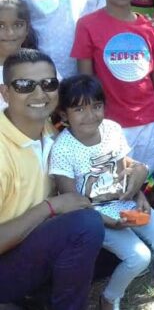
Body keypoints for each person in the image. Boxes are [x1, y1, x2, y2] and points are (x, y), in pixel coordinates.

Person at [49, 75, 154, 310]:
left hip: (124, 206)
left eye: (96, 106)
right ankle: (109, 297)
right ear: (64, 115)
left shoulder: (112, 129)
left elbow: (124, 172)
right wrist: (107, 222)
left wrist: (140, 196)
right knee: (138, 257)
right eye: (79, 109)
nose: (90, 115)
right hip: (92, 217)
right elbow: (71, 202)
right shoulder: (62, 148)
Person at [0, 49, 104, 309]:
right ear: (5, 93)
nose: (39, 94)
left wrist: (134, 179)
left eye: (48, 84)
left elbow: (99, 160)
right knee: (86, 226)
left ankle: (35, 297)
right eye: (25, 85)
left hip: (32, 243)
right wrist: (51, 207)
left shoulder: (52, 130)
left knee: (118, 242)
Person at [71, 0, 154, 172]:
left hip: (149, 120)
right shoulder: (87, 25)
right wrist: (93, 121)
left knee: (149, 178)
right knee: (116, 180)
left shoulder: (147, 27)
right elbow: (85, 80)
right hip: (110, 123)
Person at [0, 0, 37, 109]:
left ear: (27, 29)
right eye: (1, 26)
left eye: (18, 25)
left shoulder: (40, 64)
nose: (10, 33)